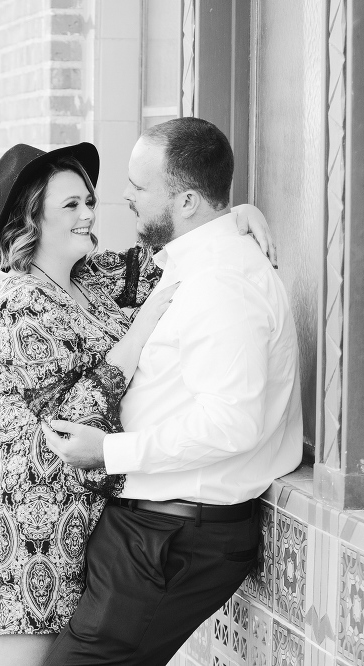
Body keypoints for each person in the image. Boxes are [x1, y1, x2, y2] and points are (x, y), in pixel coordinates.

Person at [0, 140, 275, 666]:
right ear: (30, 221)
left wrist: (234, 215)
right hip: (17, 518)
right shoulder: (17, 301)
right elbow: (67, 422)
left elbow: (178, 249)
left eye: (88, 200)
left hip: (78, 519)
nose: (88, 214)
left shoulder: (94, 278)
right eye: (70, 205)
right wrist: (140, 330)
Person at [42, 118, 304, 666]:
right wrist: (234, 214)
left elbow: (231, 422)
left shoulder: (223, 286)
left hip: (172, 536)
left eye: (139, 186)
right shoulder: (189, 265)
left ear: (185, 201)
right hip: (152, 525)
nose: (123, 196)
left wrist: (108, 452)